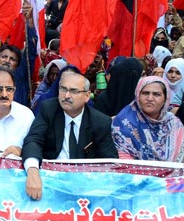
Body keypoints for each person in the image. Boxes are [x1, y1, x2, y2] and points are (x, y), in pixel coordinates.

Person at [22, 70, 118, 200]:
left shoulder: (100, 122)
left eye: (74, 91)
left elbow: (110, 161)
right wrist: (32, 170)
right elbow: (33, 140)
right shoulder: (49, 109)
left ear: (87, 96)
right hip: (49, 182)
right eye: (63, 89)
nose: (66, 95)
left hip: (85, 187)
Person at [111, 76, 184, 167]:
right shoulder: (124, 122)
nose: (150, 98)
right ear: (137, 95)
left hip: (172, 178)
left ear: (166, 98)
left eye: (156, 94)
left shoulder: (172, 122)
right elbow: (123, 160)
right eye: (145, 93)